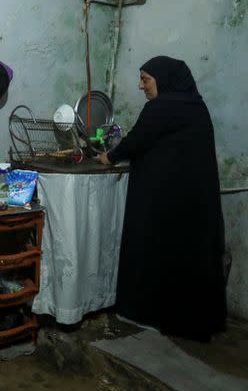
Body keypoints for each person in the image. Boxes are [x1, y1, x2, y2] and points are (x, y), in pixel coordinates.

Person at [97, 55, 226, 341]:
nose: (141, 86)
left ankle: (149, 314)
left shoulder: (161, 107)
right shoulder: (197, 106)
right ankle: (190, 319)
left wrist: (109, 156)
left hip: (163, 200)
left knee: (155, 252)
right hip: (192, 202)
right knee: (184, 257)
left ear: (164, 80)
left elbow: (136, 140)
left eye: (146, 80)